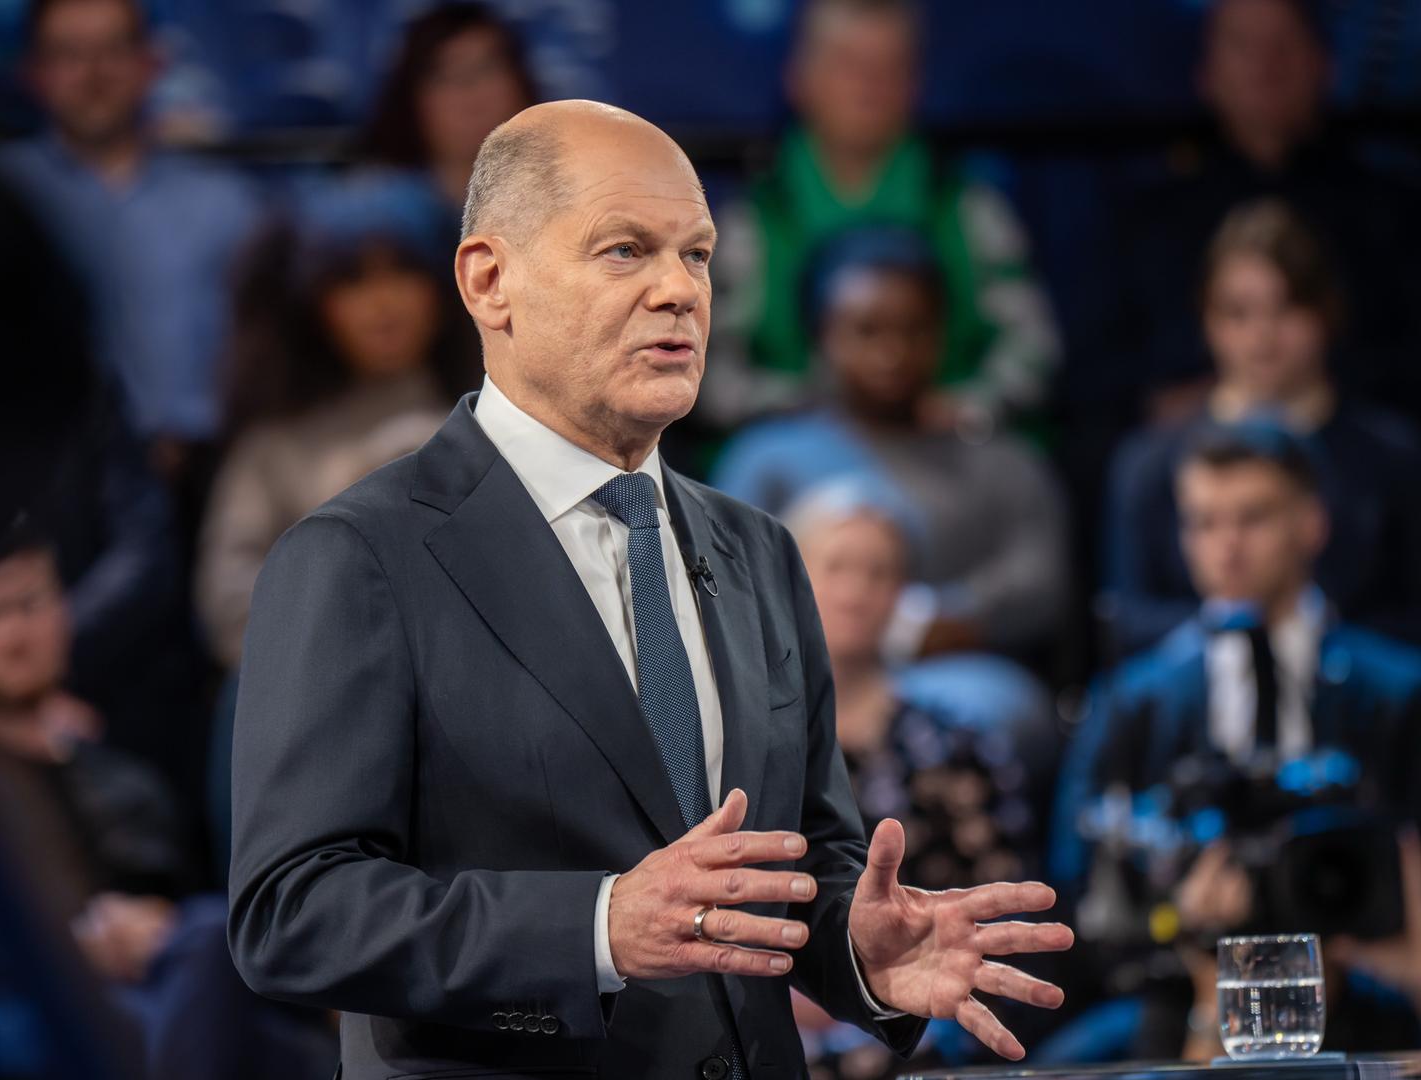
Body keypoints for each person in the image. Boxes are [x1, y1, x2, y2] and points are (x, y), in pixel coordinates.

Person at [226, 100, 1074, 1078]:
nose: (679, 290)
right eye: (626, 251)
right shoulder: (359, 557)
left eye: (699, 255)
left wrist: (858, 954)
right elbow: (292, 913)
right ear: (490, 280)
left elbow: (795, 873)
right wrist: (596, 925)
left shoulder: (760, 550)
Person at [0, 527, 334, 1080]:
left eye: (32, 605)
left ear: (63, 610)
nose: (15, 635)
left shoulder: (127, 784)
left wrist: (154, 929)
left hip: (158, 1002)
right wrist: (59, 953)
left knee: (230, 963)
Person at [1051, 421, 1421, 1072]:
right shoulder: (1132, 700)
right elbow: (1080, 885)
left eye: (1252, 518)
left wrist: (1416, 973)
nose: (1227, 546)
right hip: (1173, 1003)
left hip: (1367, 989)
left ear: (1311, 524)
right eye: (1203, 522)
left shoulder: (1401, 692)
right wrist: (1177, 922)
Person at [781, 481, 1061, 1079]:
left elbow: (999, 918)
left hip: (926, 1035)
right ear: (789, 580)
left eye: (879, 572)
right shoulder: (742, 743)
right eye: (836, 567)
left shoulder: (961, 746)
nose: (856, 592)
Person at [1100, 199, 1421, 660]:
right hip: (1201, 716)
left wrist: (1311, 639)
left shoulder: (1393, 453)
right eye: (1238, 313)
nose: (1262, 335)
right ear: (1206, 321)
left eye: (1285, 308)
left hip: (1353, 714)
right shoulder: (1147, 462)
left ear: (1327, 312)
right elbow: (1128, 620)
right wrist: (1239, 636)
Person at [712, 227, 1072, 662]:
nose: (892, 353)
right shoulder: (766, 459)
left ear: (942, 334)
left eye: (914, 330)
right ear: (821, 337)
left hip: (955, 676)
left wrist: (940, 618)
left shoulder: (998, 461)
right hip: (804, 677)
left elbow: (1039, 581)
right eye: (866, 332)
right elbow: (725, 582)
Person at [707, 0, 1060, 429]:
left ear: (917, 84)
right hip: (796, 460)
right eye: (847, 64)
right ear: (799, 80)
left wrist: (967, 407)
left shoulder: (967, 208)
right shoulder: (751, 220)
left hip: (948, 453)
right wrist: (804, 411)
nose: (868, 85)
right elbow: (709, 374)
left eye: (890, 68)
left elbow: (1034, 346)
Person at [1102, 0, 1421, 431]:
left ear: (1326, 65)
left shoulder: (1392, 213)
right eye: (1243, 46)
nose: (1265, 66)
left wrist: (1309, 401)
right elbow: (1108, 375)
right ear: (1205, 76)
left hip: (1348, 453)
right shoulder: (1150, 222)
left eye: (1283, 45)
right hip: (1192, 451)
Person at [196, 181, 471, 672]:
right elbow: (230, 603)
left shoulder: (505, 416)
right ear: (313, 303)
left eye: (403, 272)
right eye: (352, 280)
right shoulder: (276, 444)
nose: (383, 303)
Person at [0, 0, 261, 481]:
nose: (93, 73)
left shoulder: (226, 202)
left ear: (151, 64)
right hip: (38, 478)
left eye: (113, 50)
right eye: (69, 53)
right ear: (34, 72)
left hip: (205, 473)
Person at [356, 2, 541, 222]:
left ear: (520, 83)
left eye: (486, 69)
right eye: (445, 77)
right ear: (412, 101)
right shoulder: (373, 212)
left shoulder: (567, 196)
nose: (470, 92)